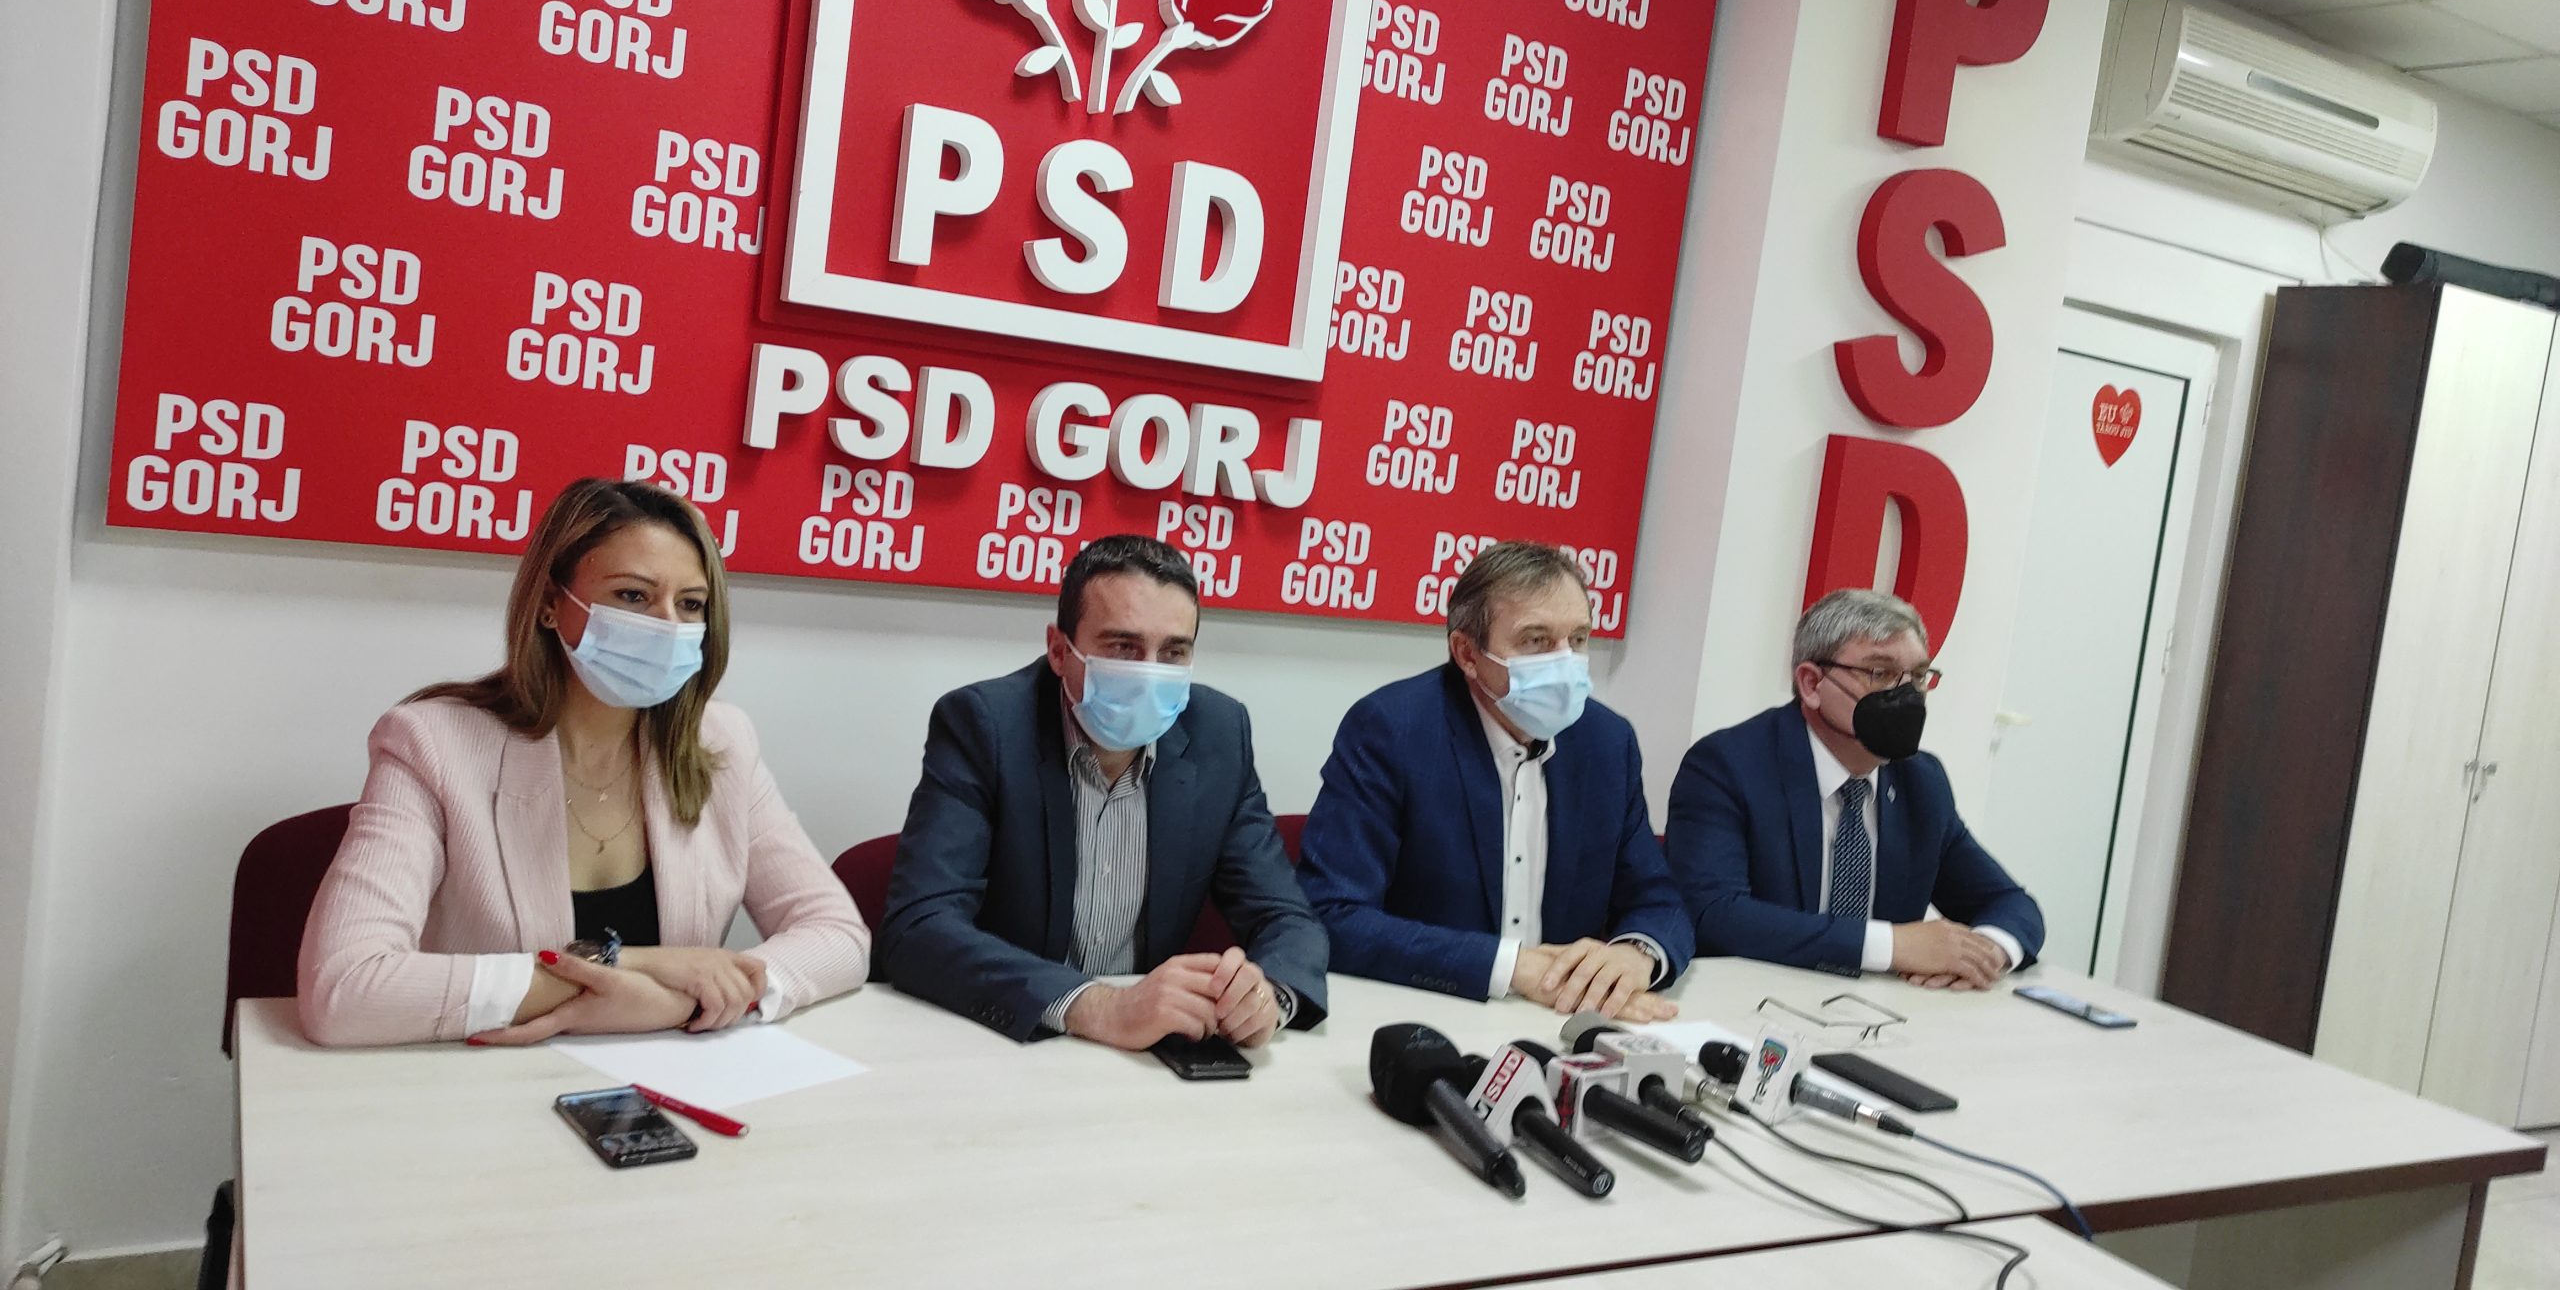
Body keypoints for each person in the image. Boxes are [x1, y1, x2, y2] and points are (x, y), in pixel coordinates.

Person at [298, 479, 869, 1047]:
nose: (668, 625)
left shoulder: (722, 743)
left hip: (664, 1077)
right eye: (633, 596)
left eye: (690, 604)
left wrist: (675, 1001)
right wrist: (627, 965)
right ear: (551, 603)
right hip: (479, 1076)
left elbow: (838, 935)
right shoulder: (433, 743)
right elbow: (344, 988)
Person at [878, 535, 1327, 1048]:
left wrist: (1268, 996)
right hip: (1004, 1041)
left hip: (1144, 1056)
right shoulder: (985, 726)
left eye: (1173, 652)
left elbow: (1286, 918)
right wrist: (1095, 1006)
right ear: (1058, 650)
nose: (1149, 672)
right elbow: (918, 926)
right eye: (1123, 647)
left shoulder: (1219, 734)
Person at [1297, 541, 1693, 1020]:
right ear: (1467, 653)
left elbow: (1658, 899)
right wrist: (1510, 967)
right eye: (1536, 641)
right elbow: (1332, 912)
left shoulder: (1607, 742)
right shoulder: (1392, 730)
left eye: (1578, 639)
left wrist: (1637, 953)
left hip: (1567, 1019)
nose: (1565, 661)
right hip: (1430, 1014)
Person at [1665, 588, 2042, 988]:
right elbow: (1714, 914)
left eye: (1917, 676)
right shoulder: (1729, 766)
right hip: (1750, 1000)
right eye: (1880, 673)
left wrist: (1985, 952)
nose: (1906, 695)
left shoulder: (1921, 781)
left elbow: (2010, 903)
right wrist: (1892, 946)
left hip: (1880, 1011)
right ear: (1812, 683)